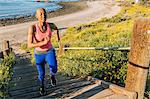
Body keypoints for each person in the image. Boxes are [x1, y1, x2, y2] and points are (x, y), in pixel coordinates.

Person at [28, 8, 61, 95]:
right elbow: (29, 45)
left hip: (49, 51)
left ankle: (52, 75)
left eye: (44, 13)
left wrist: (58, 38)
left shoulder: (50, 25)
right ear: (36, 16)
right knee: (41, 74)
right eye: (41, 14)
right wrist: (43, 42)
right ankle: (42, 85)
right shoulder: (33, 28)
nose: (43, 16)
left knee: (54, 68)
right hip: (39, 54)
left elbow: (56, 28)